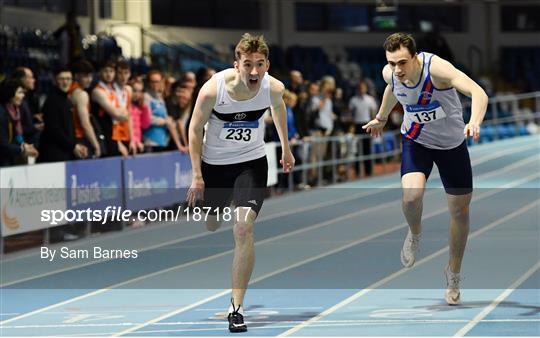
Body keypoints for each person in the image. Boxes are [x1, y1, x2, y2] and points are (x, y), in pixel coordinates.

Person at [362, 32, 487, 305]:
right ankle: (416, 232)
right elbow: (392, 89)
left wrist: (475, 121)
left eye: (403, 63)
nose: (397, 69)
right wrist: (381, 117)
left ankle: (453, 273)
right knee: (411, 197)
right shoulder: (391, 73)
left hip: (452, 146)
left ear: (416, 58)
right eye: (392, 63)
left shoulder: (438, 70)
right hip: (416, 141)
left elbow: (478, 92)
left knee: (460, 211)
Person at [186, 33, 295, 333]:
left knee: (243, 227)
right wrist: (197, 175)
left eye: (260, 65)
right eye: (248, 65)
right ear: (236, 65)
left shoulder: (274, 87)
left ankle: (236, 307)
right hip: (215, 167)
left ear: (268, 64)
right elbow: (195, 130)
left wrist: (286, 147)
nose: (254, 72)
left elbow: (279, 108)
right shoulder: (212, 91)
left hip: (251, 163)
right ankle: (216, 209)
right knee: (211, 223)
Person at [39, 67, 88, 163]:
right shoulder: (52, 101)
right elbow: (54, 130)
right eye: (61, 79)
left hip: (65, 152)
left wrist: (75, 145)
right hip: (54, 156)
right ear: (55, 80)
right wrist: (73, 146)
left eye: (68, 79)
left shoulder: (67, 100)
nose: (65, 82)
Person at [0, 79, 39, 166]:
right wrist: (22, 148)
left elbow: (15, 136)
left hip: (9, 160)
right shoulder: (2, 113)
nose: (23, 96)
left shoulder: (14, 111)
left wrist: (23, 145)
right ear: (10, 94)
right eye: (20, 92)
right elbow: (2, 144)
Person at [69, 60, 101, 158]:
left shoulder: (69, 91)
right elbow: (85, 124)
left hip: (72, 139)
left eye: (90, 76)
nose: (89, 80)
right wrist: (96, 145)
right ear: (76, 76)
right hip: (80, 138)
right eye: (85, 76)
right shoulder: (82, 94)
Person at [350, 81, 378, 177]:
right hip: (357, 125)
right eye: (360, 88)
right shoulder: (353, 100)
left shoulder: (370, 99)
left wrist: (374, 125)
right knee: (358, 150)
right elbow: (351, 114)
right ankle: (357, 171)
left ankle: (368, 171)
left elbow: (373, 113)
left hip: (367, 124)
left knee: (367, 149)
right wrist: (352, 127)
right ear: (358, 89)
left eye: (363, 88)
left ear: (366, 89)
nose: (361, 90)